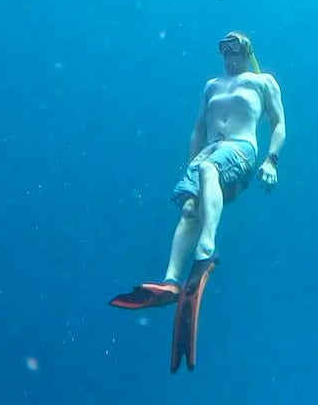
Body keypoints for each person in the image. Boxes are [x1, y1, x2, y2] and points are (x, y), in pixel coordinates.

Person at [112, 31, 286, 309]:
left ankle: (205, 250)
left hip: (241, 148)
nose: (229, 54)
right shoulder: (212, 86)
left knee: (209, 169)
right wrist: (190, 162)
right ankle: (170, 282)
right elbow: (199, 128)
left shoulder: (263, 82)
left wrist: (271, 160)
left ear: (247, 50)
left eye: (235, 46)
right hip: (209, 151)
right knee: (190, 209)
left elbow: (278, 123)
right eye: (223, 48)